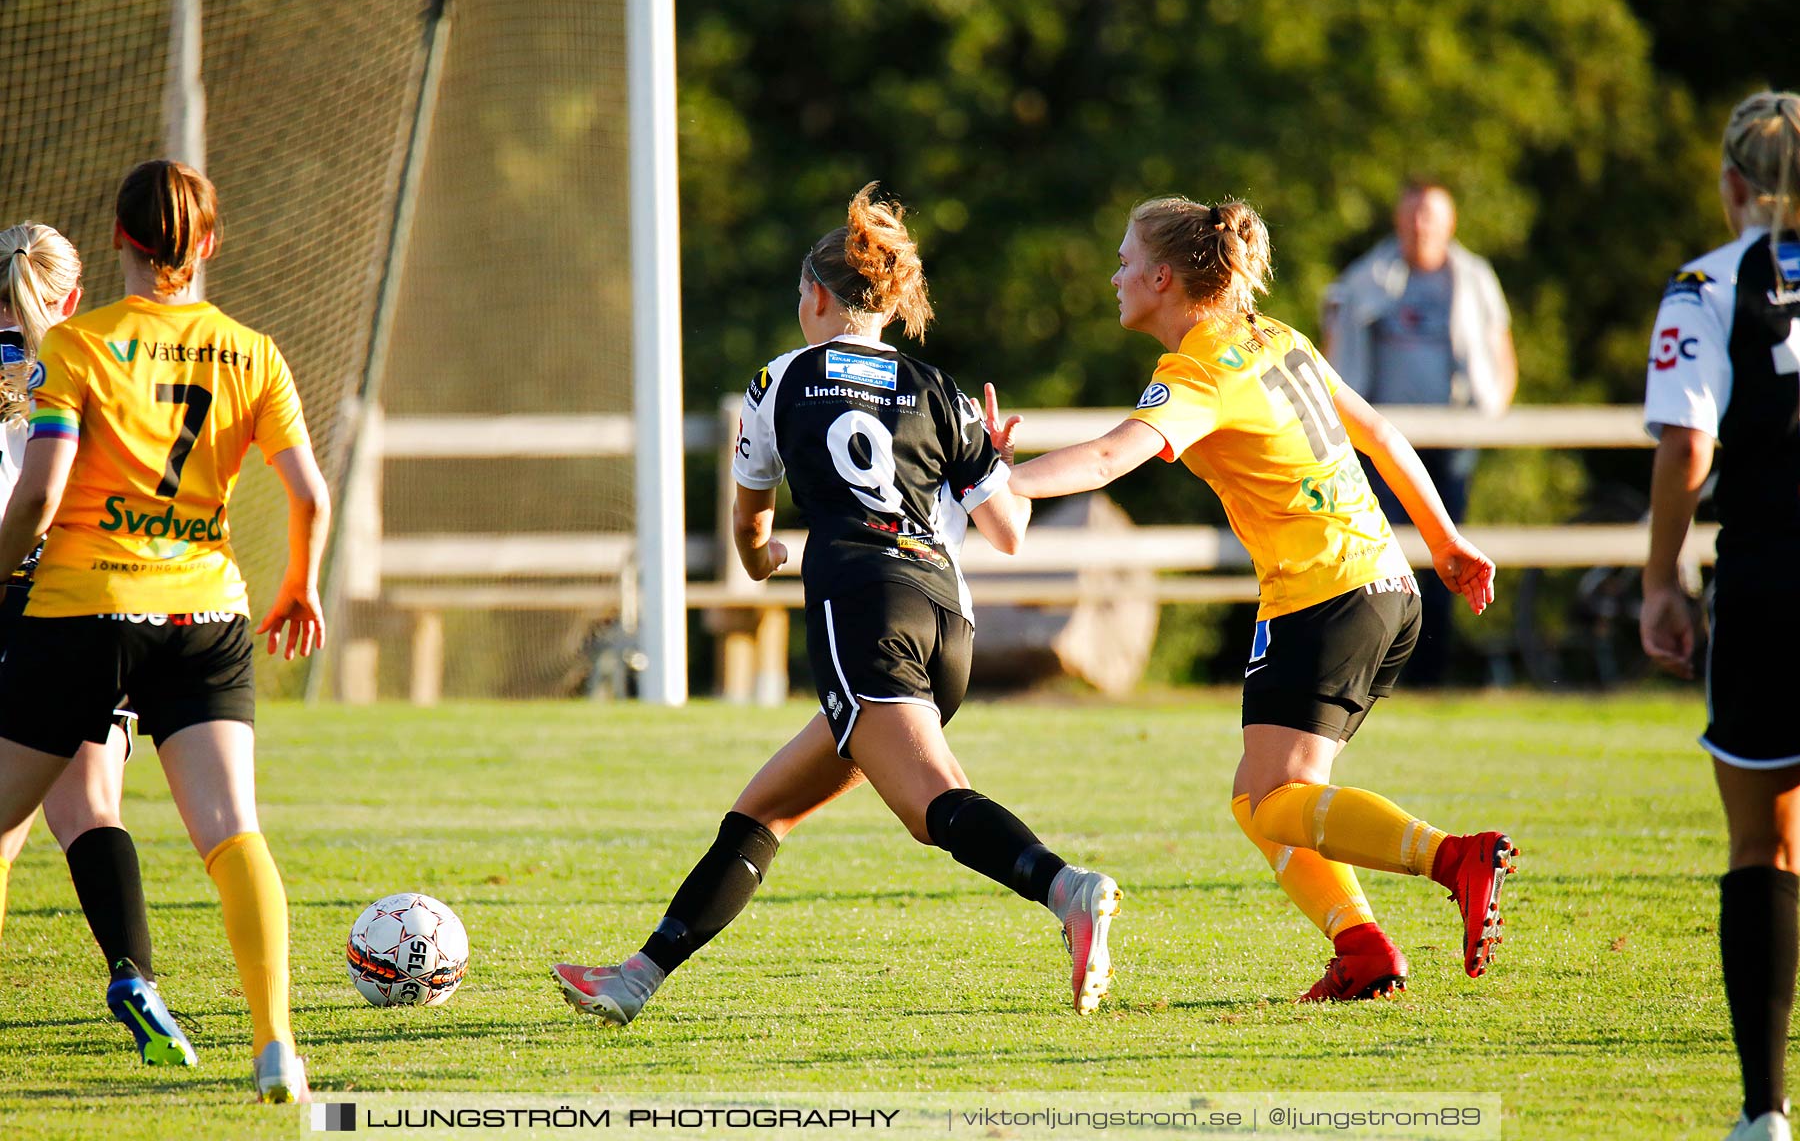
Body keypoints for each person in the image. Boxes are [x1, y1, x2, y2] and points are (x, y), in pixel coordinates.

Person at [553, 183, 1122, 1023]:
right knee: (766, 810)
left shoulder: (782, 378)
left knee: (933, 808)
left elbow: (749, 528)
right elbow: (1009, 530)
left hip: (865, 608)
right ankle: (636, 976)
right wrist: (995, 460)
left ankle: (1064, 887)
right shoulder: (941, 388)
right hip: (947, 619)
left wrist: (767, 555)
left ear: (817, 298)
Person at [996, 195, 1516, 1001]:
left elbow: (1106, 459)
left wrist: (995, 483)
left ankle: (1455, 859)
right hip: (1382, 585)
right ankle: (1363, 948)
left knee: (1276, 801)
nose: (1116, 275)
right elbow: (1379, 432)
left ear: (1164, 278)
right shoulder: (1275, 337)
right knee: (1260, 797)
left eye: (1127, 260)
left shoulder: (1201, 366)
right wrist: (1443, 541)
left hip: (1326, 596)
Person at [0, 160, 329, 1103]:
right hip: (207, 614)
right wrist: (299, 587)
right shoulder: (254, 351)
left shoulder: (83, 345)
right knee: (234, 836)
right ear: (210, 243)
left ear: (118, 240)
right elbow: (309, 492)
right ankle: (277, 1049)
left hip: (82, 611)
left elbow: (41, 496)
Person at [1640, 90, 1800, 1141]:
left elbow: (1687, 450)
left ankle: (1764, 1112)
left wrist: (1661, 579)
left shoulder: (1707, 282)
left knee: (1764, 846)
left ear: (1733, 183)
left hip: (1771, 581)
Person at [0, 221, 196, 1067]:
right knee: (88, 807)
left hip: (7, 590)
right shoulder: (96, 356)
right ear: (70, 296)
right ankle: (132, 973)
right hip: (88, 597)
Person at [1320, 180, 1515, 684]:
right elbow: (1335, 350)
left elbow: (1500, 351)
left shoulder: (1472, 279)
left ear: (1449, 223)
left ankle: (1432, 674)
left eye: (1429, 216)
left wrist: (1494, 414)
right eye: (1411, 216)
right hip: (1382, 443)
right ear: (1397, 221)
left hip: (1450, 442)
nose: (1419, 226)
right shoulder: (1366, 279)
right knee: (1381, 556)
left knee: (1450, 557)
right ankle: (1383, 673)